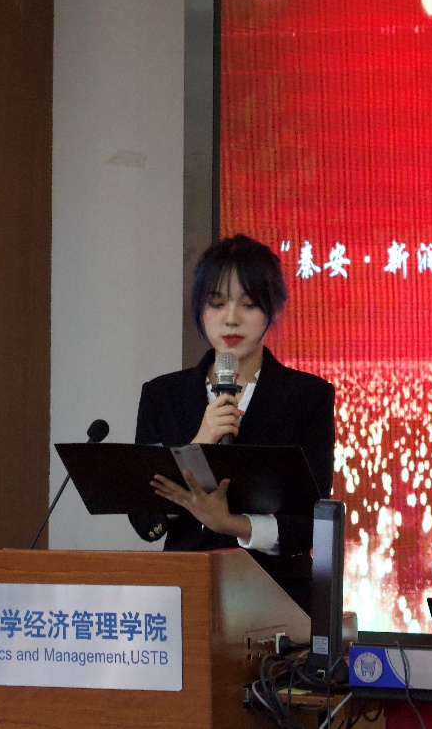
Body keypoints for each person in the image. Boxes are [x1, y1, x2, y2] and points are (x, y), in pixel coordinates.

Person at [130, 234, 336, 608]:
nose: (231, 318)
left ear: (273, 309)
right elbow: (146, 520)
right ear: (200, 309)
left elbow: (312, 522)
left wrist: (231, 524)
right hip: (184, 592)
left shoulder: (307, 397)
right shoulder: (163, 395)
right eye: (217, 303)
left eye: (249, 304)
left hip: (279, 595)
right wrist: (200, 440)